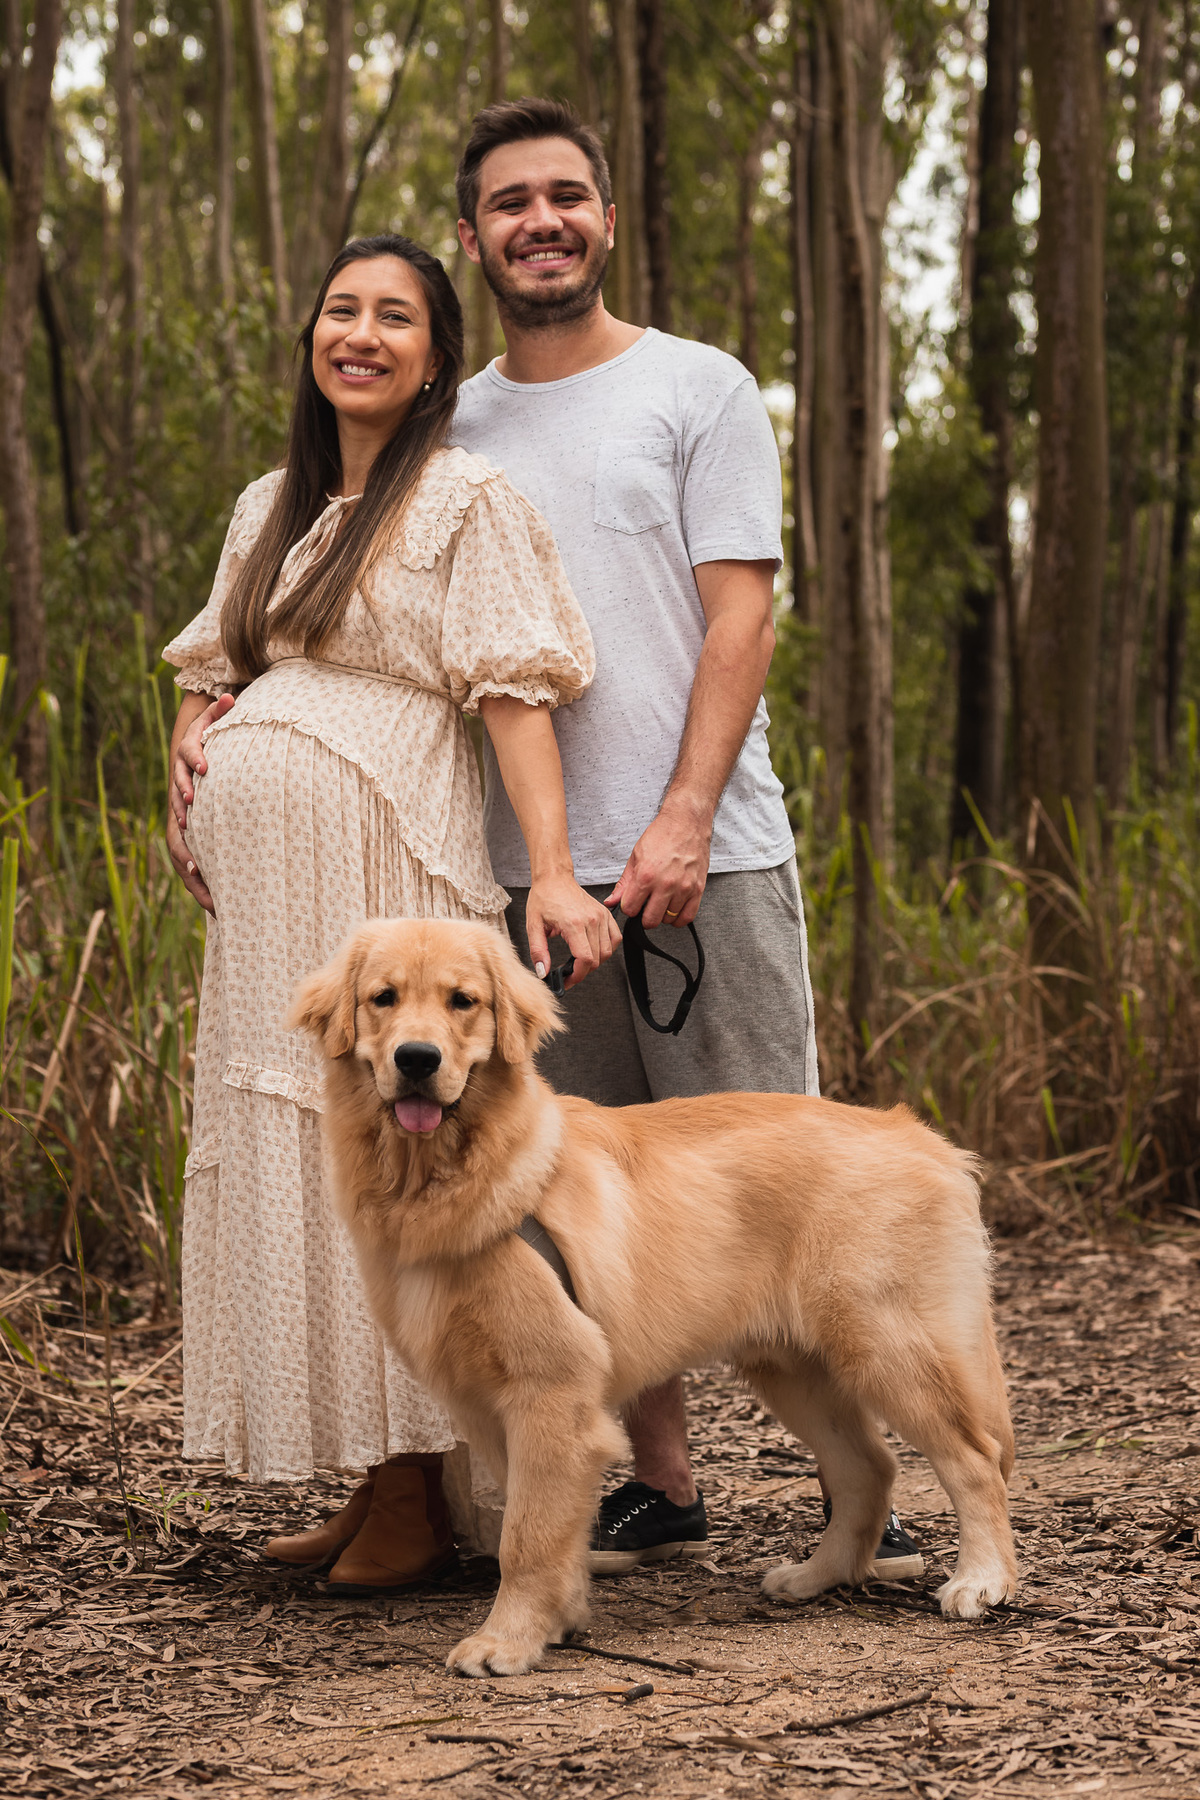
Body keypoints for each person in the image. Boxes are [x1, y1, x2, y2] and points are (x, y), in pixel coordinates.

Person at [449, 98, 924, 1582]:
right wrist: (211, 698)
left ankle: (873, 1499)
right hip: (524, 876)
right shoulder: (450, 421)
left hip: (708, 855)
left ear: (605, 216)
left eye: (566, 196)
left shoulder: (698, 387)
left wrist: (681, 818)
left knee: (784, 1190)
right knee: (582, 1192)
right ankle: (659, 1483)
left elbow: (741, 614)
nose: (542, 222)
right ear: (473, 237)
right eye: (511, 203)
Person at [163, 231, 620, 1593]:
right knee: (317, 1169)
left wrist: (549, 870)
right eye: (340, 312)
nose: (360, 334)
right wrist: (188, 761)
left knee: (400, 1162)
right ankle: (374, 1482)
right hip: (272, 909)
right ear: (313, 338)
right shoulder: (270, 506)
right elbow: (213, 664)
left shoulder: (464, 499)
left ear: (434, 362)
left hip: (385, 863)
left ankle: (425, 1492)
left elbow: (515, 696)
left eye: (396, 319)